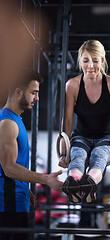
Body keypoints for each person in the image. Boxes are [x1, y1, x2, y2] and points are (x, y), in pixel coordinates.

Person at [59, 40, 110, 204]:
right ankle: (73, 184)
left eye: (95, 60)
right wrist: (63, 153)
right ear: (80, 61)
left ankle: (89, 183)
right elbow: (67, 121)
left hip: (106, 137)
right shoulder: (72, 85)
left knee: (100, 155)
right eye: (85, 60)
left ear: (102, 61)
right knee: (77, 155)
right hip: (81, 136)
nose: (90, 66)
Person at [0, 70, 63, 240]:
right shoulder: (7, 123)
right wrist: (46, 179)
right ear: (18, 91)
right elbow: (8, 168)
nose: (37, 98)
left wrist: (26, 189)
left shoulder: (16, 120)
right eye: (34, 93)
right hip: (8, 208)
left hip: (17, 202)